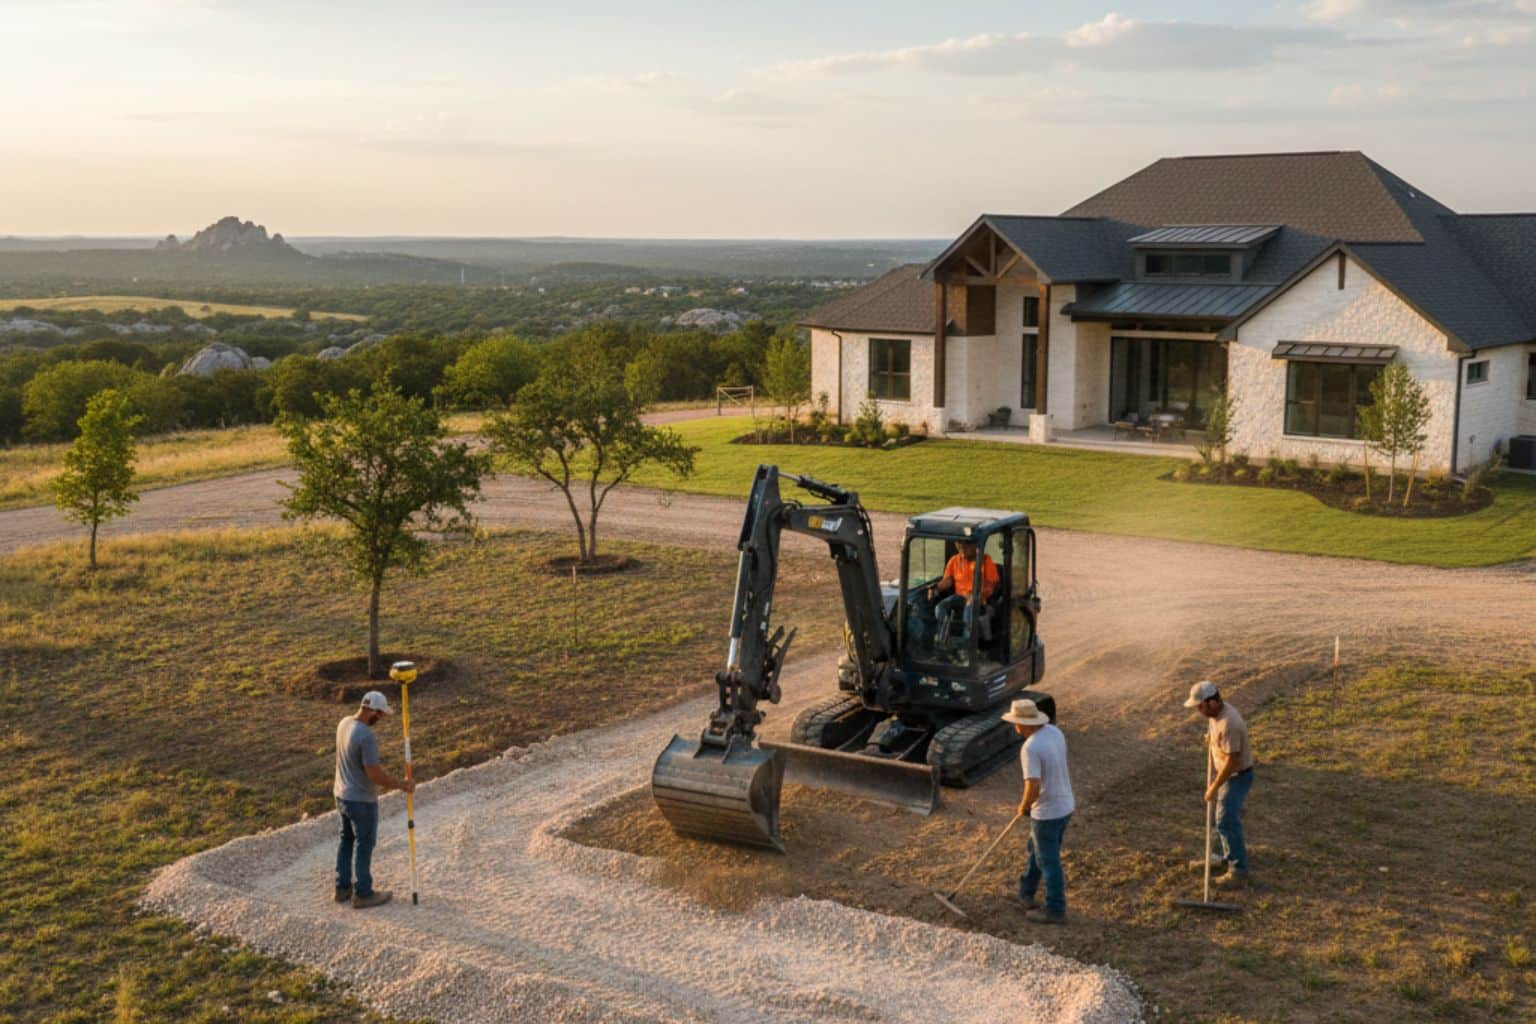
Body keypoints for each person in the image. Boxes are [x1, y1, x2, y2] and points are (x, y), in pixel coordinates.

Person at [334, 690, 415, 909]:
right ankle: (363, 893)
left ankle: (342, 888)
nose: (379, 720)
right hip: (361, 800)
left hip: (341, 795)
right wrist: (402, 784)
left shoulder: (344, 723)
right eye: (379, 715)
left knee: (346, 839)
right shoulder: (365, 736)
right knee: (364, 843)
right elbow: (375, 775)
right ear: (373, 711)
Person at [1002, 697, 1074, 924]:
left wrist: (1024, 807)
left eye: (1016, 722)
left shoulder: (1030, 747)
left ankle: (1055, 910)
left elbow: (1032, 784)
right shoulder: (1054, 732)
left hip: (1048, 811)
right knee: (1037, 850)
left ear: (1024, 723)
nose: (1014, 727)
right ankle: (1026, 893)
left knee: (1048, 860)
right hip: (1065, 805)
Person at [1183, 680, 1255, 886]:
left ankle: (1238, 870)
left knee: (1226, 820)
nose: (1198, 711)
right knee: (1220, 819)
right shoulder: (1216, 715)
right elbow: (1218, 736)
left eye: (1200, 706)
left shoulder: (1229, 723)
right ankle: (1227, 857)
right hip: (1228, 773)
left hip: (1237, 776)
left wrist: (1213, 788)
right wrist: (1211, 739)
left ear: (1212, 702)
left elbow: (1232, 762)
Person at [931, 539, 1000, 644]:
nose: (962, 546)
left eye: (966, 543)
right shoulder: (954, 560)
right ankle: (942, 638)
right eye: (959, 543)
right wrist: (935, 588)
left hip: (979, 600)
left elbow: (991, 585)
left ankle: (966, 644)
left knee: (969, 609)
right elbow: (948, 581)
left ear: (975, 545)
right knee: (940, 607)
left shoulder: (985, 561)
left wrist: (977, 595)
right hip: (959, 597)